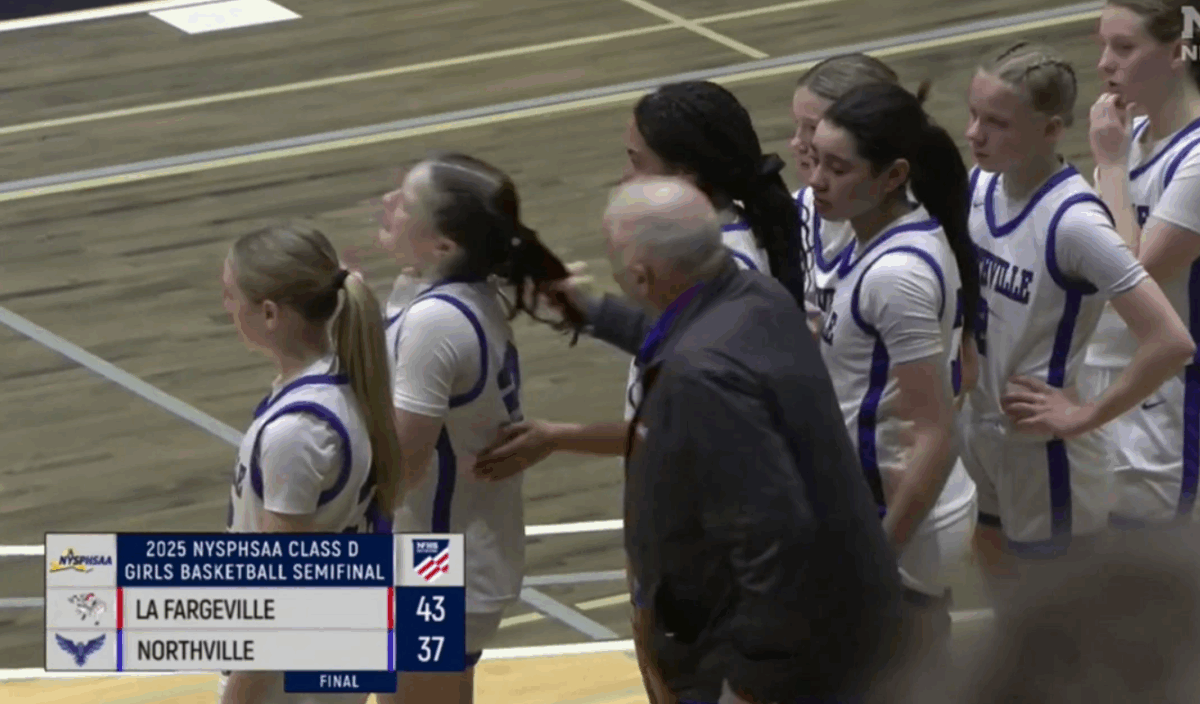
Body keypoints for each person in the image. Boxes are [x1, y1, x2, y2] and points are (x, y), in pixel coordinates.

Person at [563, 176, 904, 704]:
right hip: (843, 630)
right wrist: (591, 312)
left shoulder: (699, 377)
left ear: (642, 276)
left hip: (775, 666)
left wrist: (750, 682)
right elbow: (682, 332)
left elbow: (773, 535)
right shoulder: (758, 297)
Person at [961, 41, 1192, 600]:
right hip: (985, 433)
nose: (974, 134)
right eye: (973, 115)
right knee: (999, 588)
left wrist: (1085, 413)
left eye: (996, 123)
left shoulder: (1075, 222)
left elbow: (1171, 342)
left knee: (1061, 625)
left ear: (1050, 129)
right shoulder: (980, 185)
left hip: (1044, 456)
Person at [375, 152, 575, 704]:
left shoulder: (435, 320)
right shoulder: (445, 295)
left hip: (436, 566)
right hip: (452, 552)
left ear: (444, 246)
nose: (388, 204)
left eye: (406, 202)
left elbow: (403, 465)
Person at [806, 80, 979, 674]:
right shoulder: (870, 239)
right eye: (816, 161)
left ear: (893, 176)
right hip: (882, 504)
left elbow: (937, 432)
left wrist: (879, 557)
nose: (817, 180)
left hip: (904, 518)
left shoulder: (896, 275)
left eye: (837, 168)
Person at [217, 224, 402, 704]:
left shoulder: (297, 431)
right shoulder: (343, 384)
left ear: (270, 313)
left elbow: (280, 597)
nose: (227, 307)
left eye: (231, 295)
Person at [1084, 0, 1200, 529]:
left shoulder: (1192, 158)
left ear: (1177, 53)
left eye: (1124, 47)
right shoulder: (1129, 136)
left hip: (1170, 406)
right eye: (1103, 46)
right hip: (1115, 384)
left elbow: (1129, 280)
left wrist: (1110, 166)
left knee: (1150, 566)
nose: (1105, 64)